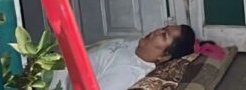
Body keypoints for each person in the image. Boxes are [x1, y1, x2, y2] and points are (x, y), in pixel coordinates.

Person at [52, 25, 204, 90]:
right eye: (163, 28)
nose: (157, 31)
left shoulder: (128, 73)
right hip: (53, 64)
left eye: (164, 35)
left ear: (164, 57)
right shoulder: (135, 45)